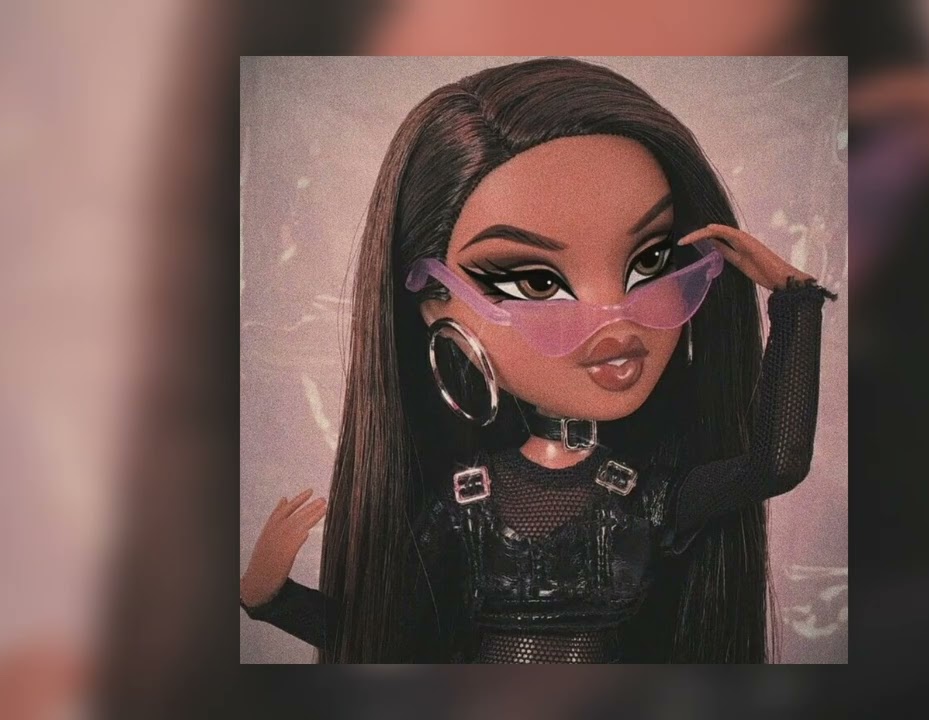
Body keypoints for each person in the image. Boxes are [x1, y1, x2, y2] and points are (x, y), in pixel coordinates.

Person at [239, 57, 836, 663]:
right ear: (436, 301)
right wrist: (272, 600)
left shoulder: (644, 496)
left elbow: (774, 465)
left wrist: (796, 301)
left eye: (649, 262)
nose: (615, 320)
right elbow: (392, 637)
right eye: (536, 282)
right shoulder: (464, 504)